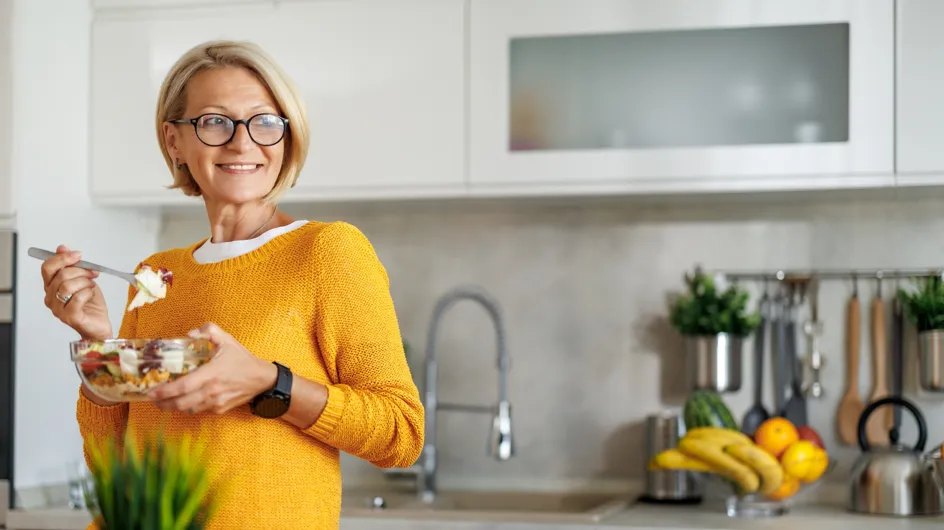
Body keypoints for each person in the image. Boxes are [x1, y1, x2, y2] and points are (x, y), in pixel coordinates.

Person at [38, 40, 425, 529]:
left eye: (264, 121)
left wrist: (271, 383)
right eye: (214, 121)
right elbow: (114, 465)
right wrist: (96, 345)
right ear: (174, 141)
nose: (243, 143)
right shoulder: (155, 274)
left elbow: (401, 433)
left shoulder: (327, 252)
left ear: (287, 136)